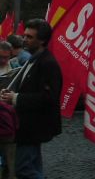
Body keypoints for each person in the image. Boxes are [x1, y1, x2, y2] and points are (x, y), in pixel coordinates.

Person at [0, 19, 62, 179]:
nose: (24, 39)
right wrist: (11, 93)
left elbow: (49, 97)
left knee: (23, 169)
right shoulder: (33, 58)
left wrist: (16, 98)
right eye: (25, 35)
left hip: (34, 125)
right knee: (33, 166)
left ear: (41, 40)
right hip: (27, 124)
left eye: (29, 37)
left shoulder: (48, 63)